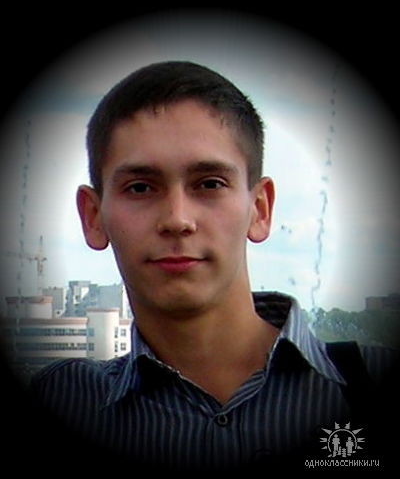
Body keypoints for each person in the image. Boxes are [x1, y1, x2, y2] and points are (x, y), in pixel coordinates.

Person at [29, 61, 399, 472]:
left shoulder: (372, 381)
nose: (177, 219)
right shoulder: (64, 402)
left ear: (260, 210)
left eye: (209, 183)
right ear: (93, 217)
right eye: (140, 187)